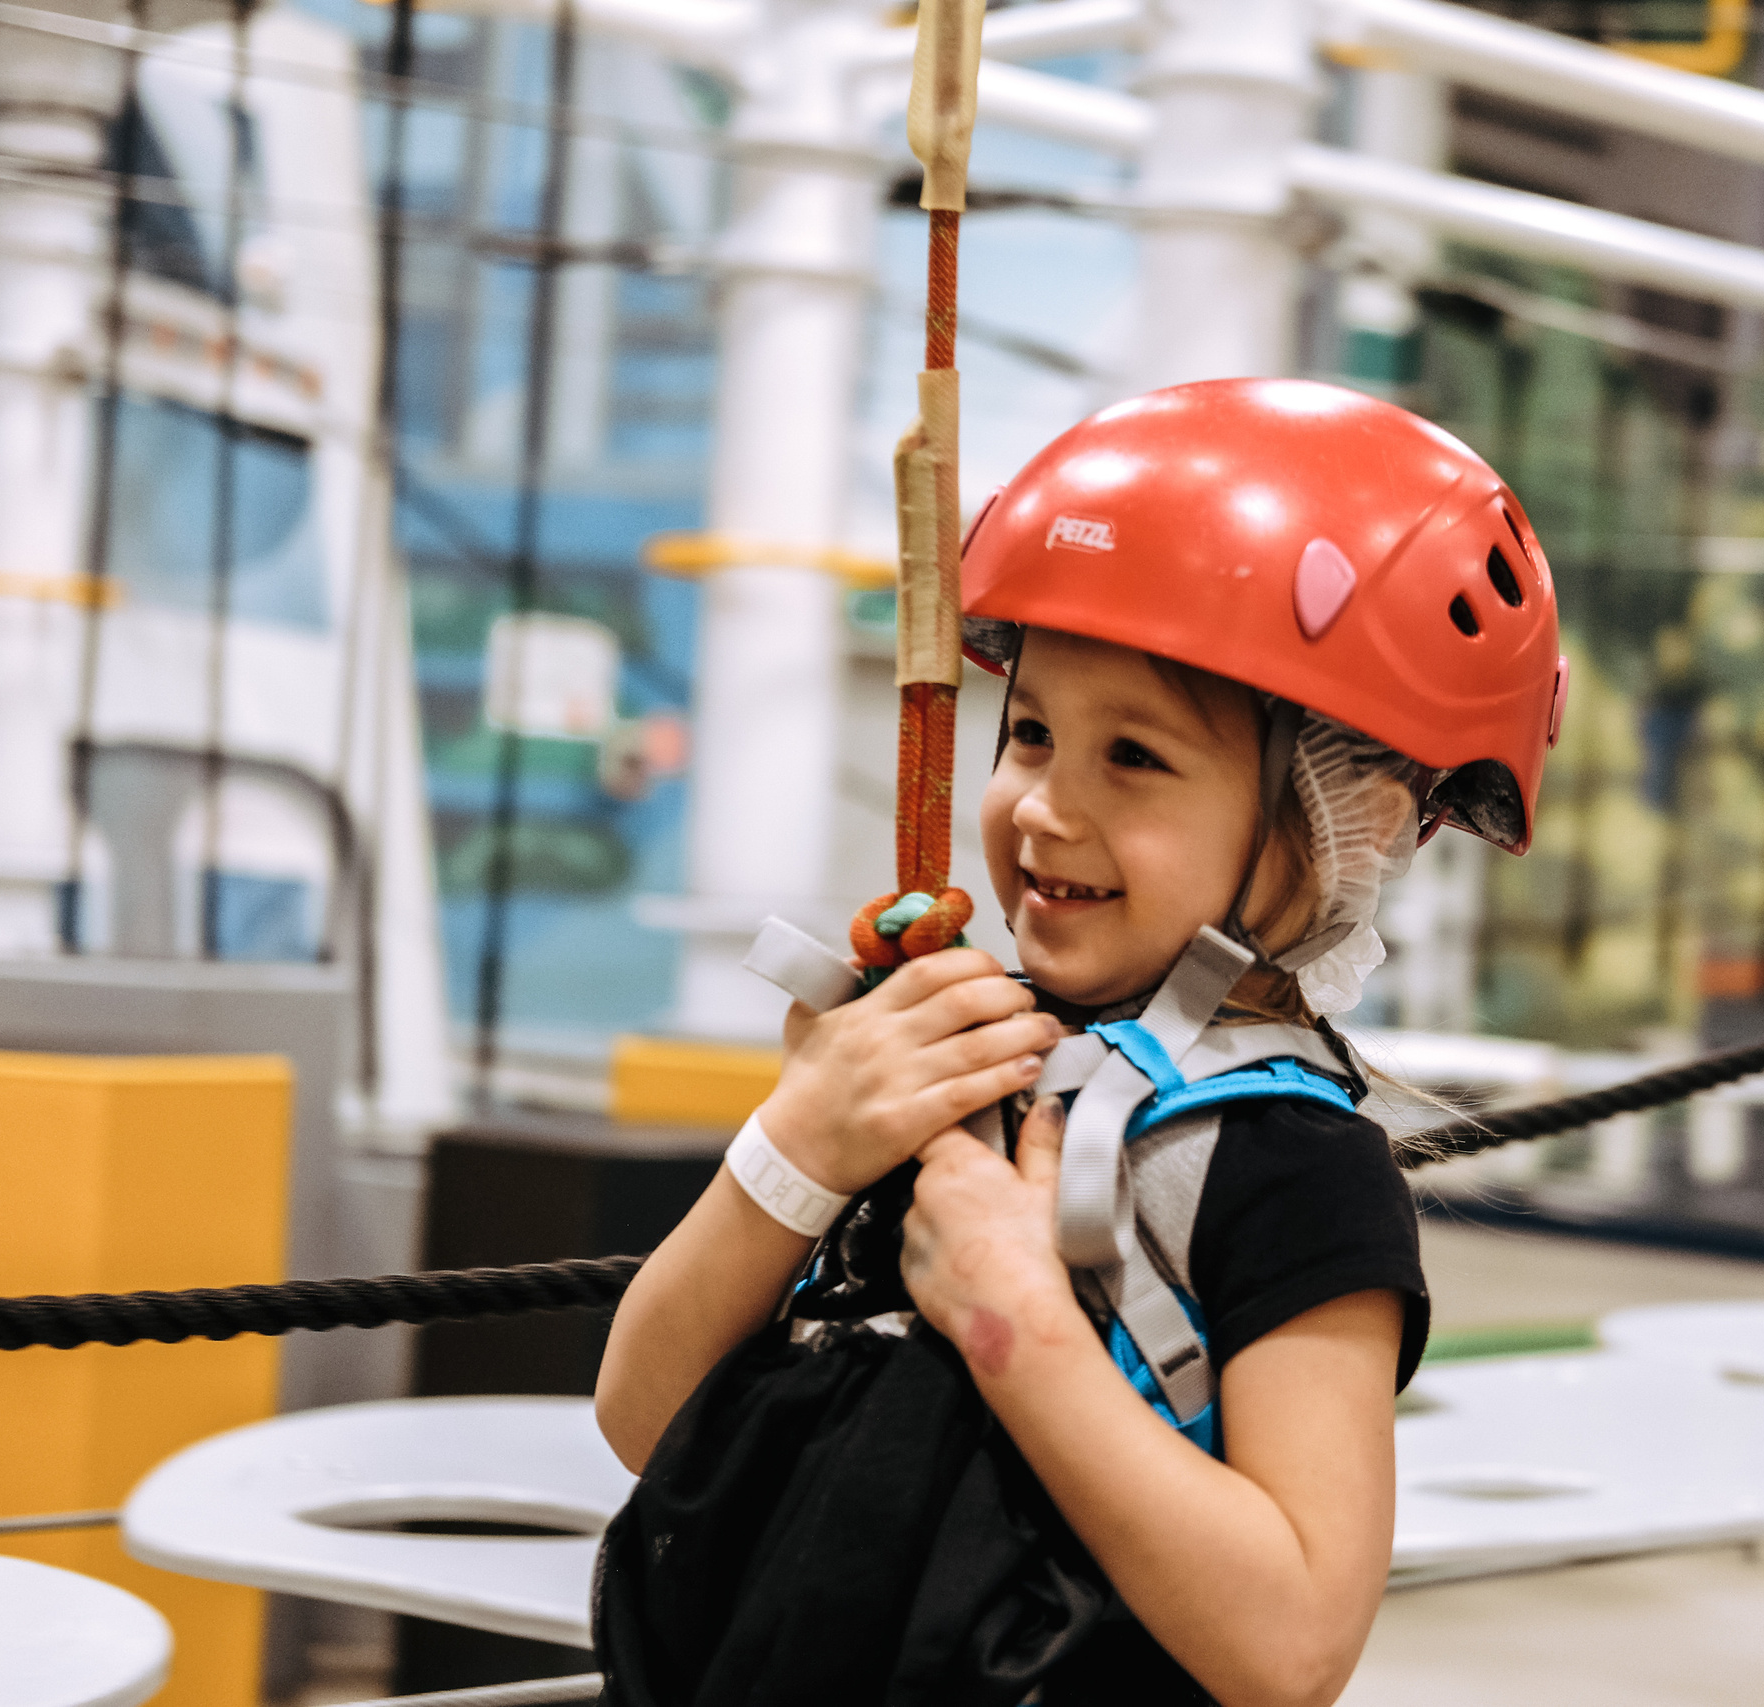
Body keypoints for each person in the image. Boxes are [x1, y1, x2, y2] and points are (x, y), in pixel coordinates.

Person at [591, 379, 1565, 1707]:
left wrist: (1018, 1327)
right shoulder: (958, 1050)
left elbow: (1292, 1641)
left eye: (1138, 758)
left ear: (1350, 820)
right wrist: (804, 1135)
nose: (1045, 805)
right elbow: (647, 1417)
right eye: (1035, 730)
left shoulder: (1289, 1170)